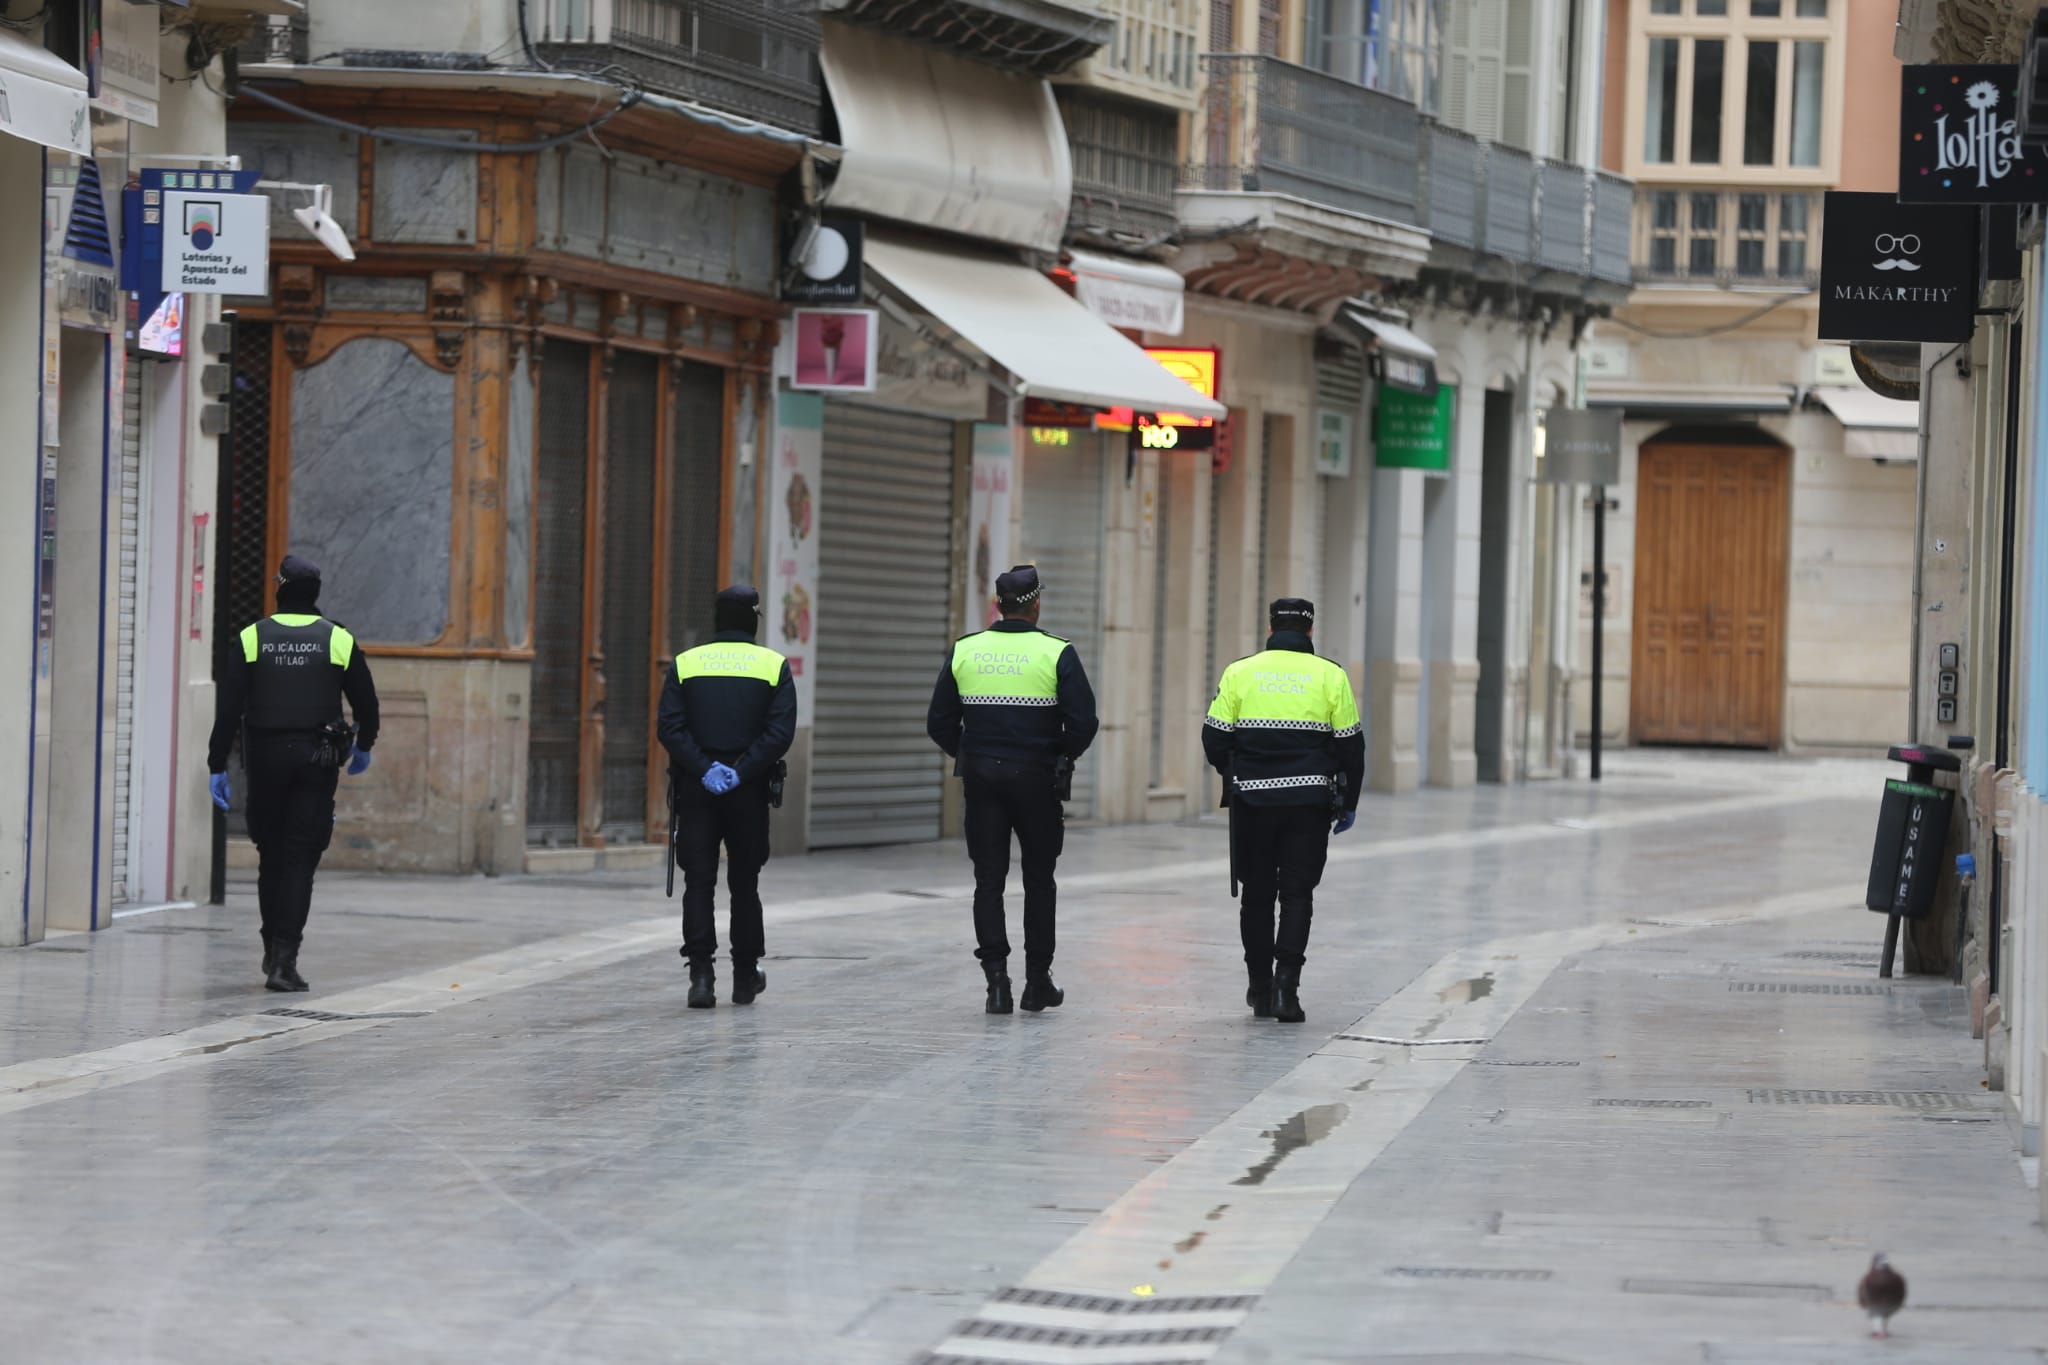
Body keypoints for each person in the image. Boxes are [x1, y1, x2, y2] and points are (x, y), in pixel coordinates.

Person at [927, 565, 1099, 1015]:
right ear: (1036, 604)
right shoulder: (1057, 653)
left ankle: (996, 984)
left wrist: (973, 753)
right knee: (1040, 880)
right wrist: (1060, 754)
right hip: (1037, 779)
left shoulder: (966, 649)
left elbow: (939, 722)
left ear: (998, 606)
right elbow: (1084, 722)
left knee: (988, 880)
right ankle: (1036, 982)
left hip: (982, 779)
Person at [207, 555, 380, 993]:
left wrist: (216, 764)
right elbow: (367, 705)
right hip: (316, 762)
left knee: (272, 855)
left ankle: (271, 948)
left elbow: (229, 708)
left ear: (279, 589)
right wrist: (362, 747)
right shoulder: (337, 639)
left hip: (265, 760)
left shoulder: (253, 637)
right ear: (315, 594)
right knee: (300, 861)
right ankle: (285, 960)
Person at [1201, 597, 1364, 1023]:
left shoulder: (1240, 672)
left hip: (1252, 803)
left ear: (1270, 628)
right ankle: (1286, 993)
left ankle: (1259, 988)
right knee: (1297, 895)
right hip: (1308, 804)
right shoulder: (1332, 675)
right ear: (1310, 631)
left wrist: (1238, 772)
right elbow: (1352, 748)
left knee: (1256, 897)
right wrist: (1348, 803)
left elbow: (1214, 738)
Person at [657, 585, 796, 1010]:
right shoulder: (773, 665)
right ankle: (743, 977)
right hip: (748, 793)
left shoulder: (686, 663)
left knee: (698, 883)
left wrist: (705, 769)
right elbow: (779, 733)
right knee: (744, 885)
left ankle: (701, 978)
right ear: (752, 619)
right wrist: (741, 771)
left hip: (697, 791)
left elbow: (670, 727)